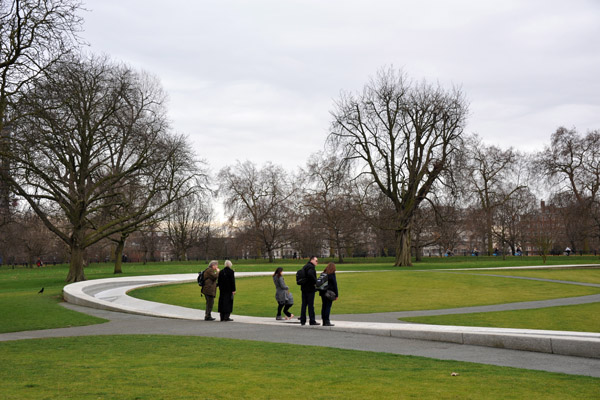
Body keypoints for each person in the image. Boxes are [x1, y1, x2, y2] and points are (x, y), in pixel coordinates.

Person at [300, 256, 319, 326]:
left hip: (304, 288)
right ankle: (312, 320)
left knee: (304, 305)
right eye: (316, 261)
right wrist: (315, 282)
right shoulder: (311, 267)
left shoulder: (305, 266)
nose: (317, 262)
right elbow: (310, 274)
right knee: (311, 305)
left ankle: (303, 320)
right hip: (310, 289)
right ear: (312, 260)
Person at [319, 262, 338, 327]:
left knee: (324, 306)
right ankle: (327, 321)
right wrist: (336, 294)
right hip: (329, 293)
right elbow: (335, 285)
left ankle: (324, 321)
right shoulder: (332, 274)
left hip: (322, 292)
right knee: (328, 307)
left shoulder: (323, 273)